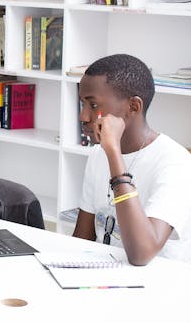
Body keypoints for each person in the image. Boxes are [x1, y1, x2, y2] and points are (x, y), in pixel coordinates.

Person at [73, 54, 191, 265]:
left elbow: (141, 254)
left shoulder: (175, 163)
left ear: (133, 107)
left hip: (159, 284)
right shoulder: (97, 155)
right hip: (105, 276)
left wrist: (114, 154)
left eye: (93, 105)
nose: (83, 116)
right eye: (82, 104)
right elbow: (82, 238)